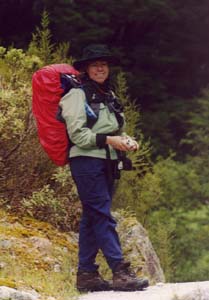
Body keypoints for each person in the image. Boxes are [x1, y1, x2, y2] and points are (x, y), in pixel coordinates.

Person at [60, 44, 149, 292]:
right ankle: (120, 271)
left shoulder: (108, 95)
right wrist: (112, 141)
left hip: (108, 160)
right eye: (95, 64)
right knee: (101, 214)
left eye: (104, 64)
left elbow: (110, 129)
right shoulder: (77, 95)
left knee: (92, 216)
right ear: (86, 69)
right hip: (86, 161)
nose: (100, 68)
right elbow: (78, 135)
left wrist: (125, 139)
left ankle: (87, 275)